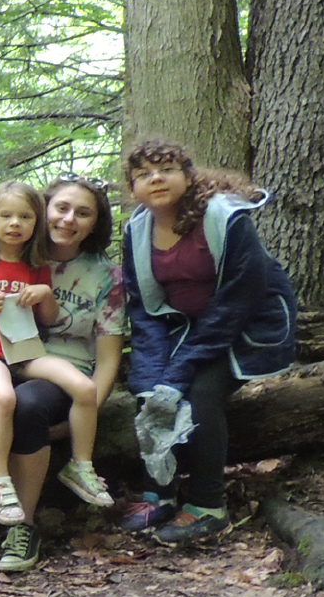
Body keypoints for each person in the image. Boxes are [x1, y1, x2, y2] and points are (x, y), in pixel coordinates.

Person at [0, 175, 127, 571]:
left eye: (83, 213)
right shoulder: (12, 252)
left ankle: (23, 526)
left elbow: (107, 357)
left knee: (30, 405)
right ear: (45, 209)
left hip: (53, 365)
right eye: (61, 208)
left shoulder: (105, 276)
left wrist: (81, 415)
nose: (69, 219)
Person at [119, 140, 297, 545]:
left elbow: (238, 299)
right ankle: (160, 493)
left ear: (188, 176)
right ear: (133, 189)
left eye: (167, 169)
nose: (156, 178)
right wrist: (150, 378)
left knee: (200, 390)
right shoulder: (137, 230)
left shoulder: (225, 216)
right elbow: (144, 309)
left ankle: (207, 505)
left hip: (248, 326)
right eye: (144, 174)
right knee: (151, 391)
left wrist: (181, 369)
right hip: (187, 328)